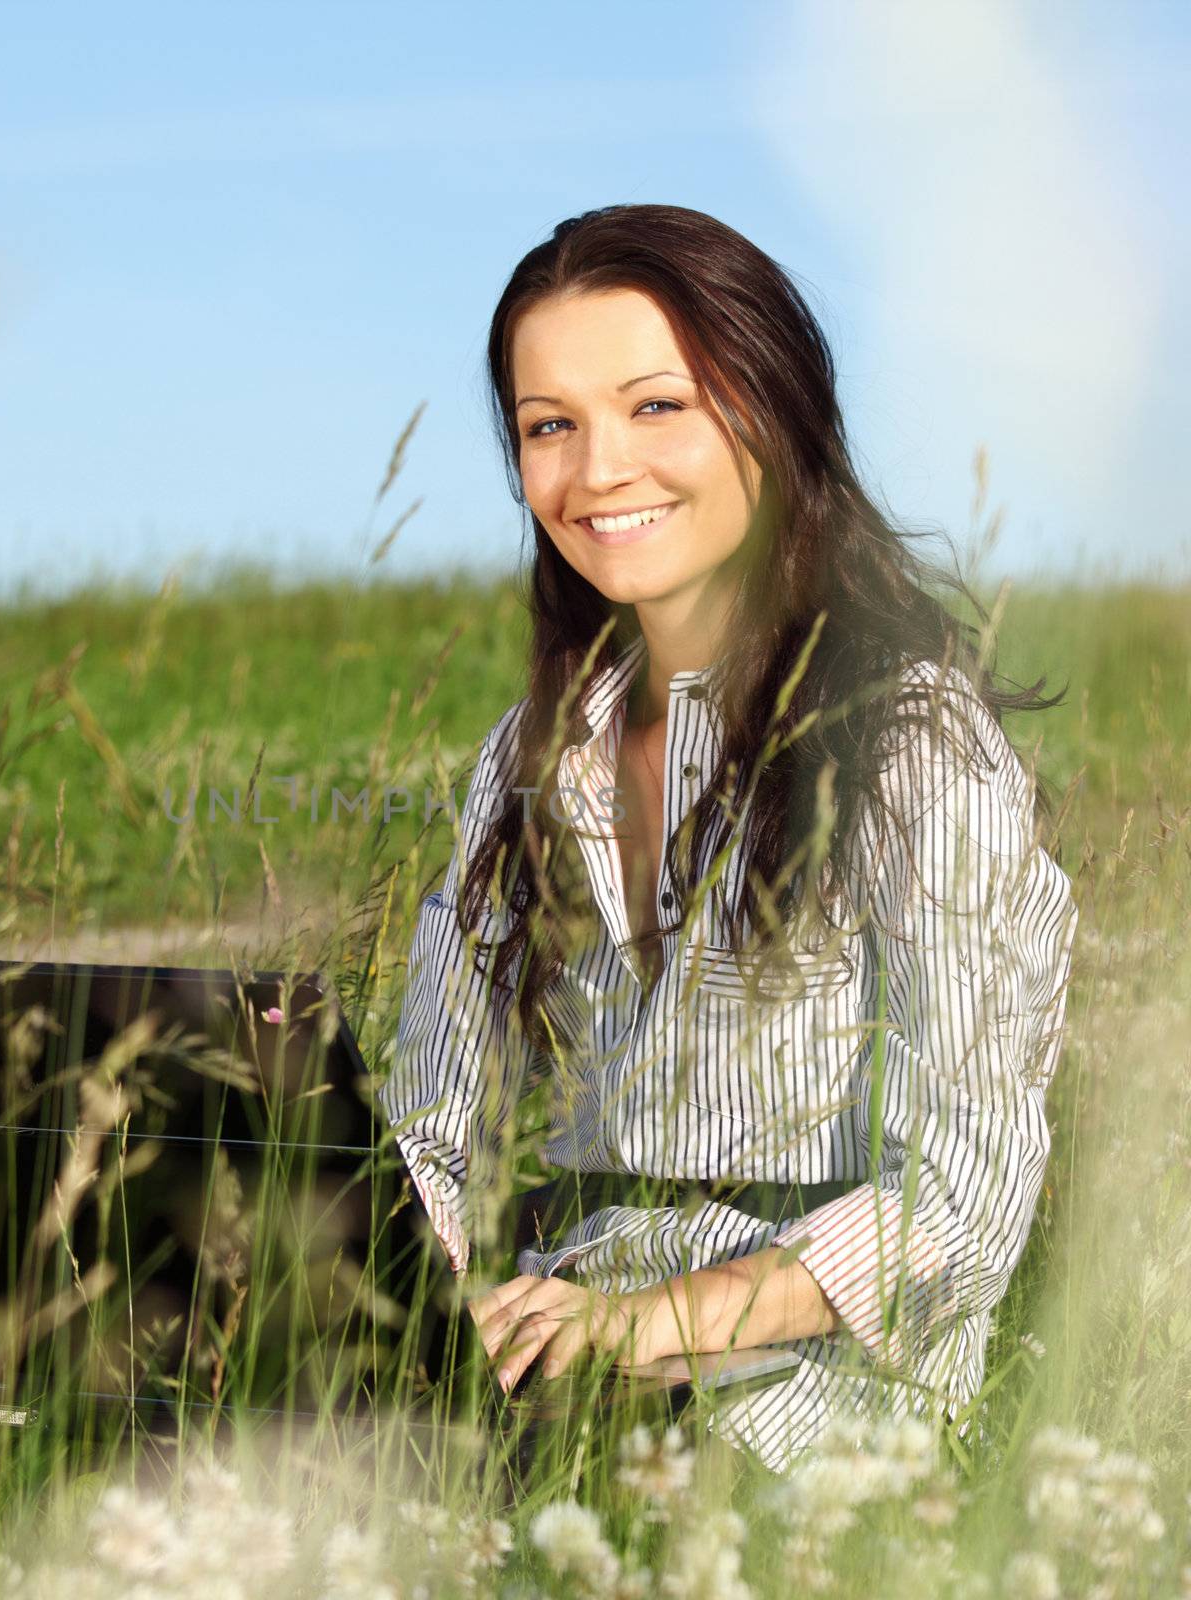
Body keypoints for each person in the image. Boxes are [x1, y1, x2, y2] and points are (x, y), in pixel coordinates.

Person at [379, 204, 1078, 1475]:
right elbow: (430, 1135)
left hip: (803, 1417)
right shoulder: (526, 759)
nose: (596, 472)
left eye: (656, 407)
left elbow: (961, 1203)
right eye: (550, 426)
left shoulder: (910, 742)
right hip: (544, 1384)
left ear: (769, 406)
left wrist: (646, 1329)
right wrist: (368, 1317)